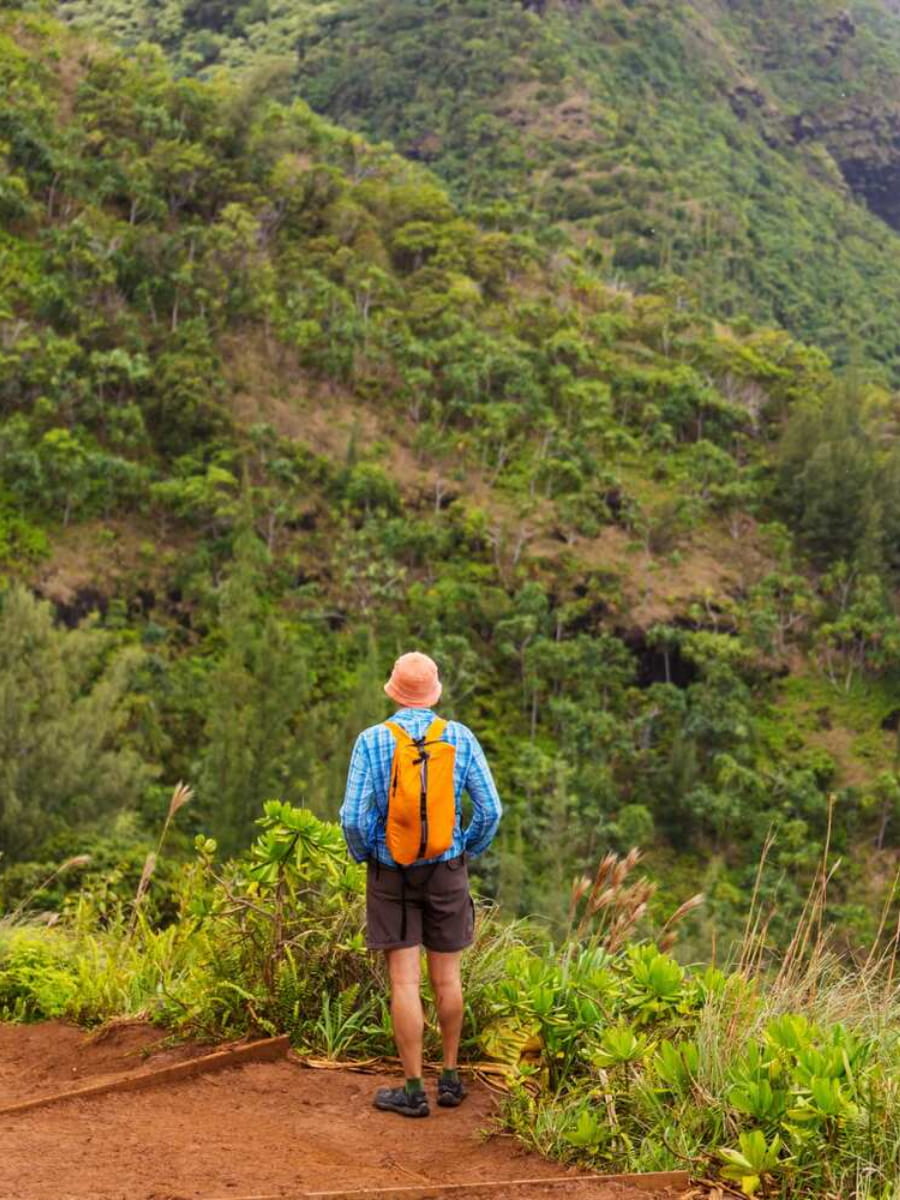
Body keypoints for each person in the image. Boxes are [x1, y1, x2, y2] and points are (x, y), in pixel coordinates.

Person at [340, 651, 502, 1118]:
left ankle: (412, 1090)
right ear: (435, 693)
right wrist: (463, 848)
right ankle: (449, 1079)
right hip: (445, 867)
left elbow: (353, 816)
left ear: (393, 690)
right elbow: (491, 810)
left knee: (404, 981)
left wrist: (369, 851)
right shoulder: (459, 737)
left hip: (391, 870)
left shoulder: (372, 740)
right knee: (447, 978)